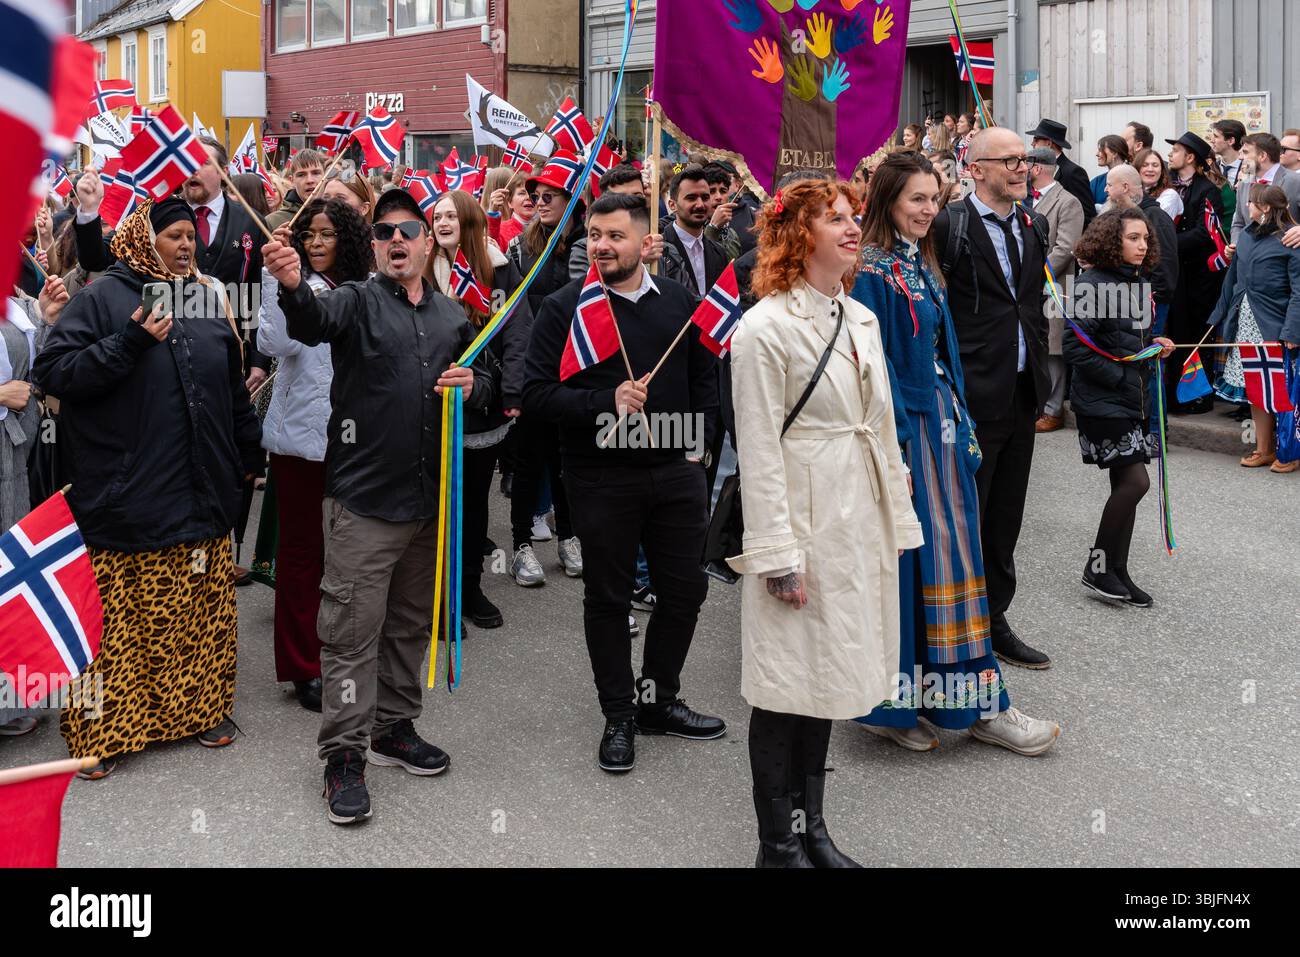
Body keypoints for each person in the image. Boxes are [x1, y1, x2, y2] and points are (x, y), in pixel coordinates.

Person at [264, 187, 492, 824]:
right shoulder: (354, 301)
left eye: (409, 230)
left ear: (428, 241)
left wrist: (476, 385)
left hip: (427, 504)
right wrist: (289, 286)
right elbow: (311, 322)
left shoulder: (452, 316)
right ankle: (343, 755)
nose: (398, 240)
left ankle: (395, 728)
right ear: (376, 245)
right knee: (349, 636)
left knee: (409, 627)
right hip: (363, 502)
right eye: (386, 231)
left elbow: (492, 382)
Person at [32, 198, 265, 779]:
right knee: (116, 628)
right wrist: (129, 343)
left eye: (191, 236)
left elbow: (230, 384)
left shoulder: (203, 298)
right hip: (124, 495)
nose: (187, 246)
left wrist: (248, 449)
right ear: (144, 238)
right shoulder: (103, 297)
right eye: (174, 236)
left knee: (196, 617)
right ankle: (101, 735)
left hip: (201, 490)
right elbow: (55, 373)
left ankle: (200, 712)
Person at [728, 176, 920, 868]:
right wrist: (778, 552)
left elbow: (880, 422)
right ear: (795, 235)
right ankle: (776, 844)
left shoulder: (859, 314)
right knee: (786, 686)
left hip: (855, 516)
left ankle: (813, 828)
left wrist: (892, 505)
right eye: (831, 218)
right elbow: (757, 447)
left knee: (828, 679)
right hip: (803, 523)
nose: (850, 227)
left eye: (851, 216)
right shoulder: (764, 328)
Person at [850, 150, 1061, 758]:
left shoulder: (919, 259)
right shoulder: (868, 271)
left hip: (945, 428)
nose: (928, 210)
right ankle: (892, 704)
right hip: (906, 436)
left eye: (934, 199)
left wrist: (958, 419)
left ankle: (975, 704)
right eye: (916, 198)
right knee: (915, 566)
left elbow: (941, 353)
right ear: (887, 198)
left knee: (958, 563)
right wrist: (894, 445)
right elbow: (872, 371)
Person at [523, 191, 725, 774]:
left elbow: (705, 377)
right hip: (601, 476)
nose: (602, 246)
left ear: (644, 241)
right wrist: (601, 401)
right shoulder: (567, 308)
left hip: (675, 473)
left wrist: (699, 451)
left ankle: (658, 699)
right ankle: (619, 715)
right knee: (608, 599)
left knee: (685, 591)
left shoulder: (681, 303)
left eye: (615, 235)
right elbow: (535, 394)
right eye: (594, 234)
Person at [932, 127, 1054, 669]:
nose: (1021, 168)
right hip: (970, 395)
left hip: (1022, 391)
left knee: (1006, 513)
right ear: (975, 169)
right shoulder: (947, 227)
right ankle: (958, 620)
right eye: (1008, 161)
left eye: (1024, 160)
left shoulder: (1034, 224)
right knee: (966, 513)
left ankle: (996, 616)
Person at [257, 198, 374, 713]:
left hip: (357, 442)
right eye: (309, 234)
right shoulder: (288, 283)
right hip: (301, 445)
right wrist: (281, 281)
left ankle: (349, 656)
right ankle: (303, 667)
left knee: (351, 556)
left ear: (345, 239)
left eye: (327, 233)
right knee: (302, 556)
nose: (317, 242)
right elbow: (274, 341)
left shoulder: (366, 289)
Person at [427, 189, 533, 627]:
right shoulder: (423, 271)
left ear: (469, 220)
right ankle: (437, 597)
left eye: (451, 214)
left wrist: (511, 394)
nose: (442, 221)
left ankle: (469, 588)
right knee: (435, 506)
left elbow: (516, 334)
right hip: (431, 404)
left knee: (471, 504)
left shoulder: (500, 271)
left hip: (480, 406)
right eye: (436, 215)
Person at [1065, 210, 1176, 605]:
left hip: (1132, 398)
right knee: (1136, 483)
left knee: (1123, 485)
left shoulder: (1137, 281)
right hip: (1102, 401)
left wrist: (1155, 344)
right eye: (1133, 238)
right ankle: (1096, 567)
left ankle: (1116, 570)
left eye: (1145, 238)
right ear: (1113, 240)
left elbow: (1126, 340)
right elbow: (1076, 347)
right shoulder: (1091, 283)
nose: (1142, 245)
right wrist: (1122, 376)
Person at [505, 153, 587, 588]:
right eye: (535, 195)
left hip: (577, 370)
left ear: (572, 199)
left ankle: (569, 538)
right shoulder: (522, 246)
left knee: (566, 461)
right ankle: (520, 546)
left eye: (549, 194)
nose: (539, 201)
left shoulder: (592, 244)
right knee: (530, 460)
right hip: (537, 371)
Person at [1209, 184, 1300, 472]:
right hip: (1245, 322)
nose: (1247, 208)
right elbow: (1232, 280)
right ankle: (1264, 449)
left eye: (1251, 203)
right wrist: (1218, 315)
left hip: (1275, 325)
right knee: (1256, 389)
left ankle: (1289, 450)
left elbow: (1299, 292)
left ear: (1266, 209)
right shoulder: (1246, 237)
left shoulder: (1289, 242)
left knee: (1281, 390)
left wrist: (1292, 332)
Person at [1105, 166, 1181, 438]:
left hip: (1150, 303)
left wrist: (1153, 300)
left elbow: (1166, 264)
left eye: (1109, 184)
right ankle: (1140, 427)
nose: (1105, 190)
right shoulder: (1127, 217)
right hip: (1131, 300)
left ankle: (1156, 432)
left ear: (1125, 187)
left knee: (1150, 363)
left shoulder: (1154, 215)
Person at [1163, 132, 1228, 415]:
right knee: (1179, 332)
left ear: (1190, 157)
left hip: (1202, 275)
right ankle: (1179, 394)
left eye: (1175, 150)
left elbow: (1206, 232)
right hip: (1179, 273)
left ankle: (1200, 396)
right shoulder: (1172, 187)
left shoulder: (1207, 190)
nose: (1170, 155)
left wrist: (1167, 242)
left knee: (1199, 335)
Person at [1026, 147, 1085, 433]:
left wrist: (1035, 274)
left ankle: (1053, 409)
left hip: (1054, 286)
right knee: (1036, 344)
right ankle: (1037, 403)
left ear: (1037, 168)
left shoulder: (1068, 202)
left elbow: (1066, 247)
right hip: (1026, 287)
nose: (1020, 169)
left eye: (1024, 163)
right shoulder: (1024, 198)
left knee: (1053, 349)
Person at [661, 166, 730, 298]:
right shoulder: (660, 251)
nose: (700, 205)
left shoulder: (718, 253)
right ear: (672, 205)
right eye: (691, 198)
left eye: (705, 197)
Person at [1229, 133, 1300, 245]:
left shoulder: (1296, 181)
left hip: (1286, 255)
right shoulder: (1245, 181)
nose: (1240, 157)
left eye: (1246, 152)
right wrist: (1237, 245)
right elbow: (1238, 222)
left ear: (1262, 156)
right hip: (1251, 257)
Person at [1026, 118, 1095, 226]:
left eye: (1036, 139)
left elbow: (1087, 214)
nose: (1032, 143)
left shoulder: (1073, 172)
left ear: (1048, 143)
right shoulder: (1033, 167)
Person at [267, 148, 326, 230]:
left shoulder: (338, 215)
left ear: (325, 176)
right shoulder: (272, 222)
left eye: (316, 173)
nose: (309, 180)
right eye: (301, 175)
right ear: (292, 180)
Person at [1209, 119, 1247, 226]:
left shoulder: (1249, 168)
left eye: (1216, 136)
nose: (1212, 140)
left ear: (1230, 141)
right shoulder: (1212, 167)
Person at [1134, 148, 1184, 221]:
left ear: (1162, 171)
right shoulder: (1132, 193)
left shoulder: (1169, 195)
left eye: (1155, 165)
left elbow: (1154, 222)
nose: (1150, 169)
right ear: (1137, 169)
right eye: (1145, 165)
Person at [495, 171, 535, 248]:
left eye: (532, 194)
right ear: (510, 202)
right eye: (522, 193)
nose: (528, 197)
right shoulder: (501, 231)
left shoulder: (545, 230)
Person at [1091, 135, 1131, 207]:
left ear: (1114, 153)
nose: (1097, 154)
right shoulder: (1096, 182)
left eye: (1101, 150)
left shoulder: (1133, 179)